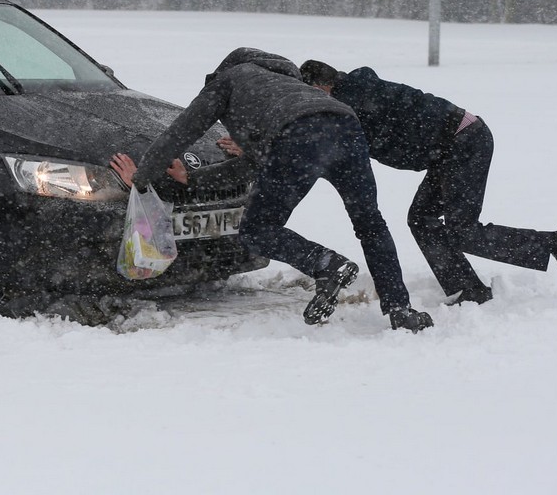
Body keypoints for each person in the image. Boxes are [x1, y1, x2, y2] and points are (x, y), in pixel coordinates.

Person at [110, 48, 434, 332]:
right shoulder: (287, 86)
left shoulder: (230, 80)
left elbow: (179, 133)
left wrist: (141, 177)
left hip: (300, 137)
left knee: (257, 229)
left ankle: (325, 264)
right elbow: (259, 163)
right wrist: (193, 180)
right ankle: (399, 309)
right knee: (370, 223)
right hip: (348, 130)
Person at [296, 60, 557, 304]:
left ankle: (556, 243)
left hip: (464, 141)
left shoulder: (355, 102)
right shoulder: (354, 96)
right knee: (421, 218)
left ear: (321, 87)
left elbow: (349, 147)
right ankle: (468, 289)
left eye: (311, 95)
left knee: (463, 230)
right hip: (451, 148)